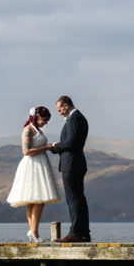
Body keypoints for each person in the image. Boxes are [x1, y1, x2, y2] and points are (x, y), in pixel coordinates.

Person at [5, 106, 61, 243]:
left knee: (35, 199)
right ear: (36, 117)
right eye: (44, 119)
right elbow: (26, 151)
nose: (46, 122)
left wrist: (50, 148)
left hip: (41, 163)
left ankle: (33, 232)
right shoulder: (28, 130)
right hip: (32, 166)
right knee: (38, 199)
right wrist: (47, 147)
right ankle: (34, 231)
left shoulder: (37, 130)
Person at [50, 95, 90, 242]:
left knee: (73, 199)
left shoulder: (75, 119)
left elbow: (71, 142)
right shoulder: (78, 118)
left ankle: (75, 233)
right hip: (75, 163)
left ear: (66, 105)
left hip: (72, 164)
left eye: (60, 110)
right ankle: (84, 233)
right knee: (78, 198)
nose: (60, 113)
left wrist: (56, 146)